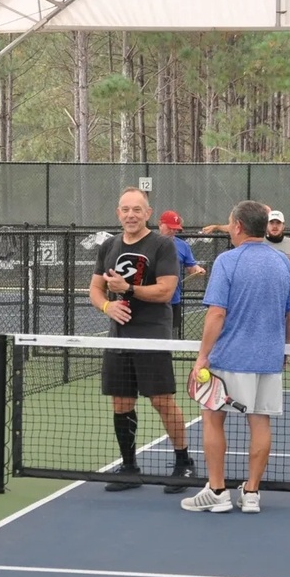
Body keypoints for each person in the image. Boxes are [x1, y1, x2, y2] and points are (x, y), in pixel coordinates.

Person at [181, 200, 290, 514]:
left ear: (236, 226)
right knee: (260, 422)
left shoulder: (226, 261)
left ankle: (218, 491)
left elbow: (216, 314)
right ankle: (251, 494)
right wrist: (282, 347)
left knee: (212, 418)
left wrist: (201, 358)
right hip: (268, 360)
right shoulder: (282, 263)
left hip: (227, 359)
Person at [89, 187, 194, 494]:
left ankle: (183, 463)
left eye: (137, 209)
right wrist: (108, 305)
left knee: (161, 400)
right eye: (125, 209)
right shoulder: (109, 245)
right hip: (118, 337)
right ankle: (129, 467)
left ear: (148, 213)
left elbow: (165, 290)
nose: (131, 215)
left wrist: (129, 289)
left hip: (152, 334)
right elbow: (95, 289)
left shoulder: (162, 244)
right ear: (118, 214)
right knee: (121, 402)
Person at [201, 208, 290, 297]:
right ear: (266, 225)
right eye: (271, 223)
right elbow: (236, 227)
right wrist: (216, 227)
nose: (274, 226)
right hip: (259, 294)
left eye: (278, 223)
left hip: (284, 294)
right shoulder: (257, 242)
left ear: (283, 226)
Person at [157, 210, 206, 339]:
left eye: (175, 229)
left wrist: (197, 269)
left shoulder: (183, 246)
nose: (173, 231)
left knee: (171, 337)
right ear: (160, 225)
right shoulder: (150, 243)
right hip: (152, 300)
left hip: (173, 299)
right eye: (170, 228)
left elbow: (191, 267)